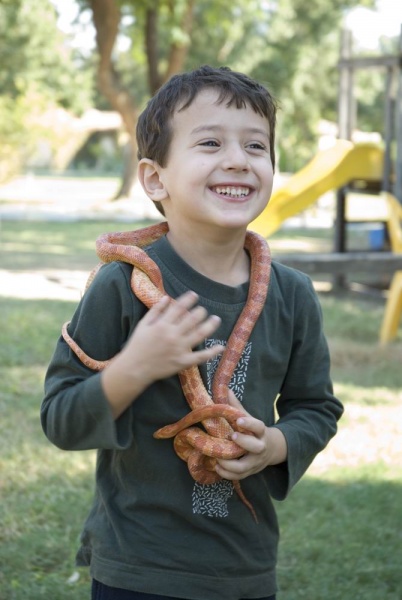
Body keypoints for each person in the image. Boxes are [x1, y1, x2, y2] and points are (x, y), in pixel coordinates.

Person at [41, 65, 343, 600]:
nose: (237, 159)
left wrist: (275, 444)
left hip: (244, 571)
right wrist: (134, 367)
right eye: (209, 142)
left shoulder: (292, 295)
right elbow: (61, 419)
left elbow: (316, 408)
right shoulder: (122, 285)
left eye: (256, 145)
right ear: (156, 178)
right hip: (136, 569)